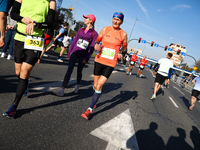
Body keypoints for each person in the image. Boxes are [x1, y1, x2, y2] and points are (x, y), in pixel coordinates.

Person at [3, 0, 56, 118]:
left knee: (25, 71)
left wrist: (36, 24)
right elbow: (13, 14)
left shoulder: (51, 2)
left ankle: (14, 106)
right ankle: (26, 83)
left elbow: (50, 23)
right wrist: (22, 19)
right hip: (20, 37)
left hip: (35, 40)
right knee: (18, 72)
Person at [81, 11, 127, 120]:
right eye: (114, 18)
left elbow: (125, 49)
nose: (115, 21)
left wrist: (122, 54)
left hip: (110, 63)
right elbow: (97, 41)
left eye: (118, 19)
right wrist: (97, 45)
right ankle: (95, 100)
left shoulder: (123, 34)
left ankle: (90, 109)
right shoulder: (105, 29)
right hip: (99, 60)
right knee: (95, 85)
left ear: (121, 22)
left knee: (99, 85)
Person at [54, 14, 98, 96]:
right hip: (74, 52)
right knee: (69, 70)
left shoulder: (94, 33)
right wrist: (69, 53)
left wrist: (87, 58)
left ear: (91, 21)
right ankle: (62, 89)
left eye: (86, 18)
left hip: (83, 54)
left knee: (79, 71)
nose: (84, 19)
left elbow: (92, 47)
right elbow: (74, 42)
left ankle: (77, 85)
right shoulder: (81, 29)